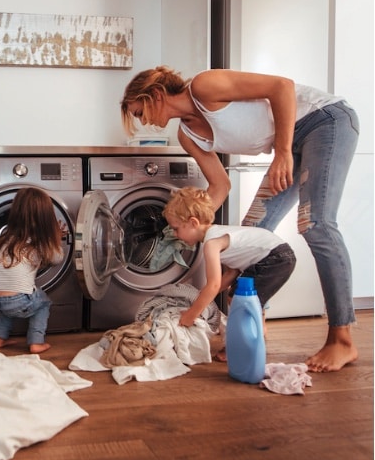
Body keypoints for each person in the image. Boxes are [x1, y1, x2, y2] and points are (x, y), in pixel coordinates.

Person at [120, 66, 359, 372]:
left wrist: (283, 152)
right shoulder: (187, 135)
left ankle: (342, 339)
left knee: (316, 225)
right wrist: (186, 225)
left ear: (155, 95)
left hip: (324, 121)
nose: (143, 122)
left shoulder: (204, 86)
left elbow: (282, 86)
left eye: (140, 112)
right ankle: (252, 330)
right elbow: (220, 186)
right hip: (293, 143)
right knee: (248, 237)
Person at [163, 187, 296, 358]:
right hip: (276, 255)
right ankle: (256, 335)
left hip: (274, 258)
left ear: (193, 223)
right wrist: (198, 299)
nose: (175, 234)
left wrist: (191, 315)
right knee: (242, 297)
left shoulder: (212, 243)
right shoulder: (217, 234)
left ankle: (239, 347)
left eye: (176, 228)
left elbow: (214, 284)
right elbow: (231, 273)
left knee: (240, 299)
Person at [0, 187, 65, 354]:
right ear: (46, 218)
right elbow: (57, 258)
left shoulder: (4, 238)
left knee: (8, 298)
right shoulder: (41, 241)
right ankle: (36, 342)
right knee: (43, 303)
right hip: (17, 300)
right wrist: (55, 238)